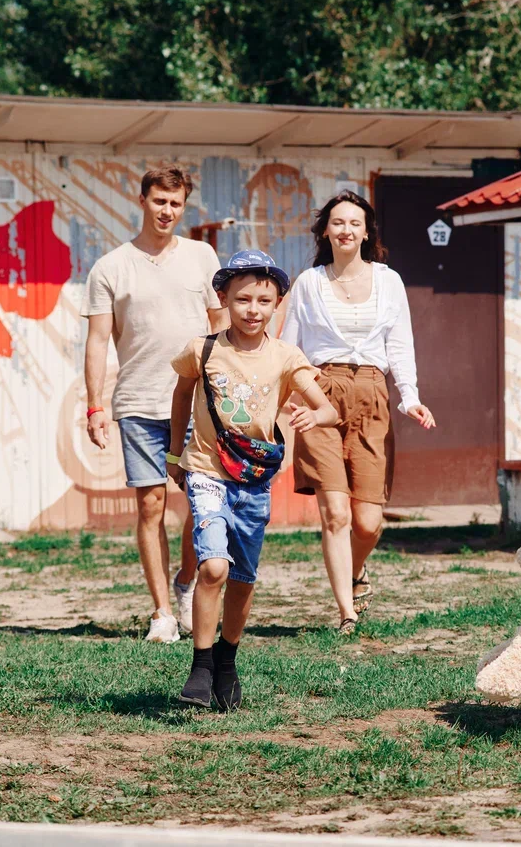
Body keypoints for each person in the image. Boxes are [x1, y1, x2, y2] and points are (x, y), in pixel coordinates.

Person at [167, 250, 338, 710]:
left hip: (254, 480)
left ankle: (226, 663)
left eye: (264, 301)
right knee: (213, 567)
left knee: (242, 579)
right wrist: (174, 453)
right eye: (242, 299)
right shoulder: (202, 350)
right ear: (223, 298)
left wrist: (314, 416)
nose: (253, 310)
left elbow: (327, 408)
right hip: (206, 471)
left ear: (277, 304)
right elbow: (181, 395)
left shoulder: (285, 356)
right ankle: (201, 667)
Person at [82, 166, 229, 644]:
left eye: (175, 203)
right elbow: (97, 341)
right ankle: (162, 612)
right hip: (138, 402)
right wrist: (95, 407)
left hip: (198, 401)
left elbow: (220, 324)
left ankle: (186, 581)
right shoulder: (110, 267)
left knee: (201, 500)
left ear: (183, 207)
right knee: (151, 505)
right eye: (159, 201)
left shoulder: (202, 256)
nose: (167, 211)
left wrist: (228, 387)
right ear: (142, 200)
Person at [280, 191, 435, 635]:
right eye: (337, 222)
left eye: (354, 223)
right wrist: (286, 395)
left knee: (367, 522)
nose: (346, 230)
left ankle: (355, 570)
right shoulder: (308, 283)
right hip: (321, 394)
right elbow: (289, 347)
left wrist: (410, 396)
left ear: (367, 232)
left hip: (372, 393)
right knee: (336, 513)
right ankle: (346, 613)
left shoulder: (389, 281)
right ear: (325, 232)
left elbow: (400, 344)